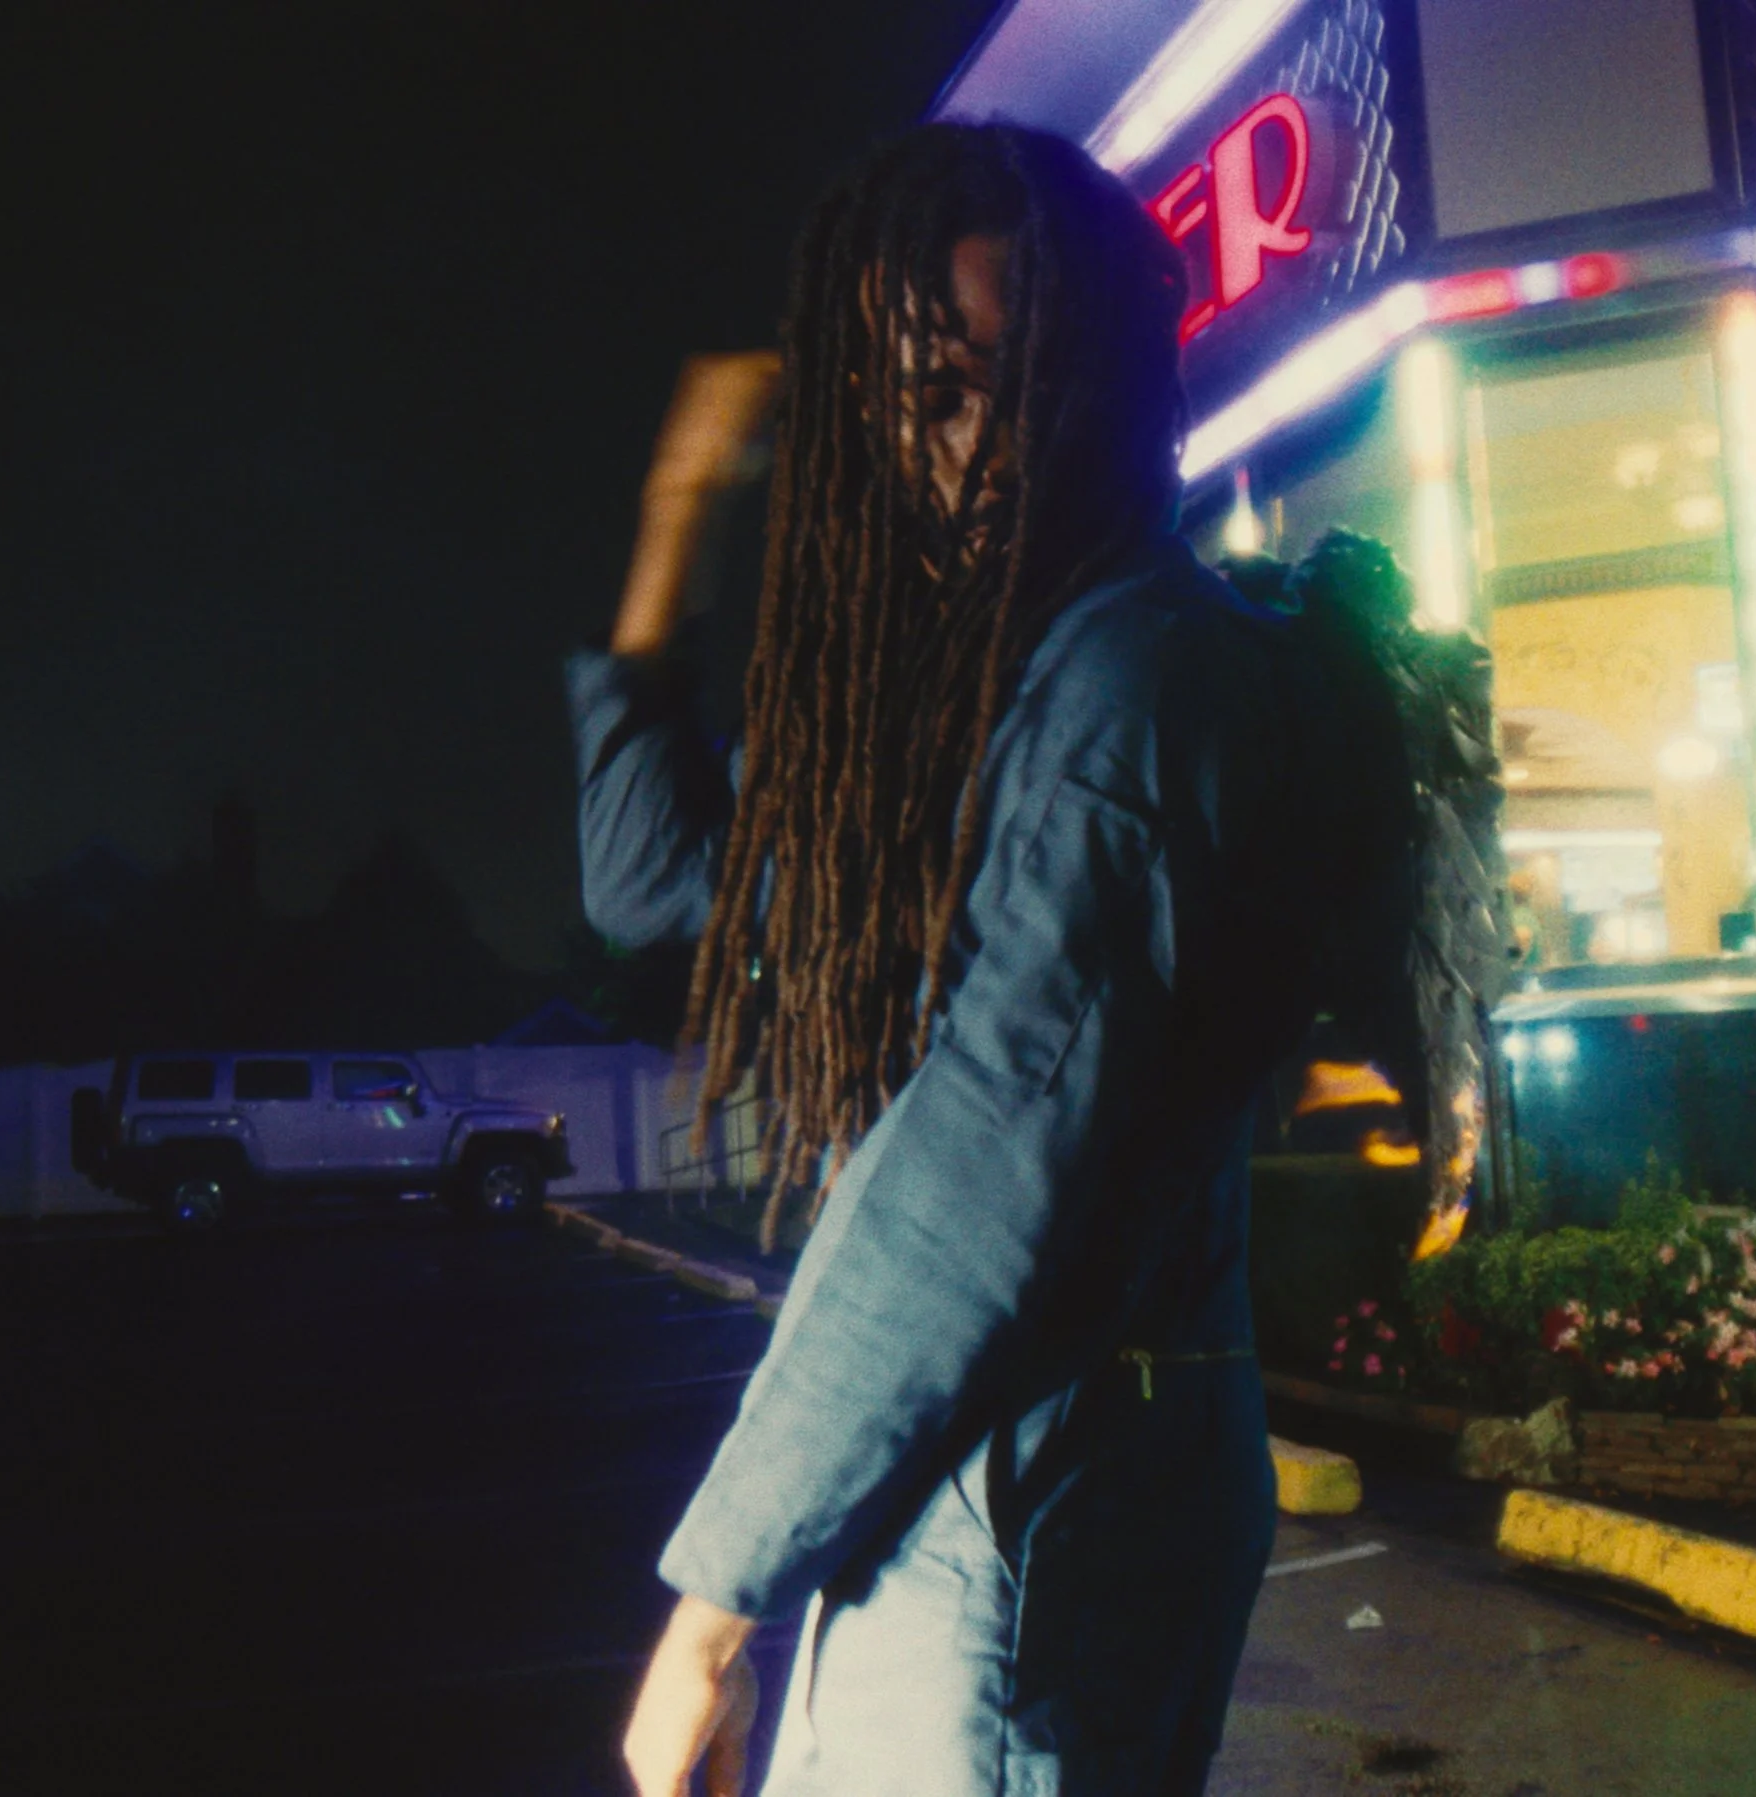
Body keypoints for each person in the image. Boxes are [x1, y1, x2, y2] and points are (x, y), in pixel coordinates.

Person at [566, 124, 1409, 1796]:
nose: (967, 451)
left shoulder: (1133, 687)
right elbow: (647, 875)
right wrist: (679, 512)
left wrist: (711, 1612)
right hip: (998, 1499)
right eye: (918, 401)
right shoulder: (977, 706)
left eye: (998, 386)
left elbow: (984, 1151)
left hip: (1035, 1519)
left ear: (1104, 381)